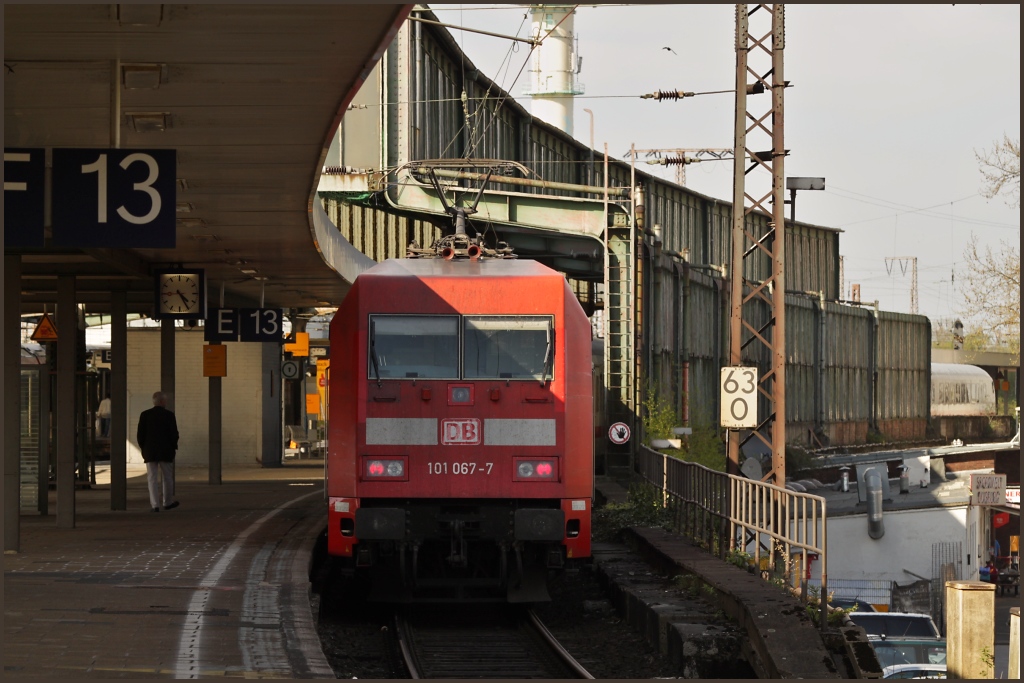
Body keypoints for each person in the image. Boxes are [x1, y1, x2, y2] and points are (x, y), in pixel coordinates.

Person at [137, 391, 180, 512]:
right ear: (162, 401)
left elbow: (140, 435)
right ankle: (168, 502)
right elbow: (174, 434)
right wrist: (173, 447)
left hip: (150, 451)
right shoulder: (169, 415)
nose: (166, 402)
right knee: (167, 478)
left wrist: (144, 448)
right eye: (165, 400)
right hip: (166, 451)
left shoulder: (144, 415)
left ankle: (155, 505)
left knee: (152, 478)